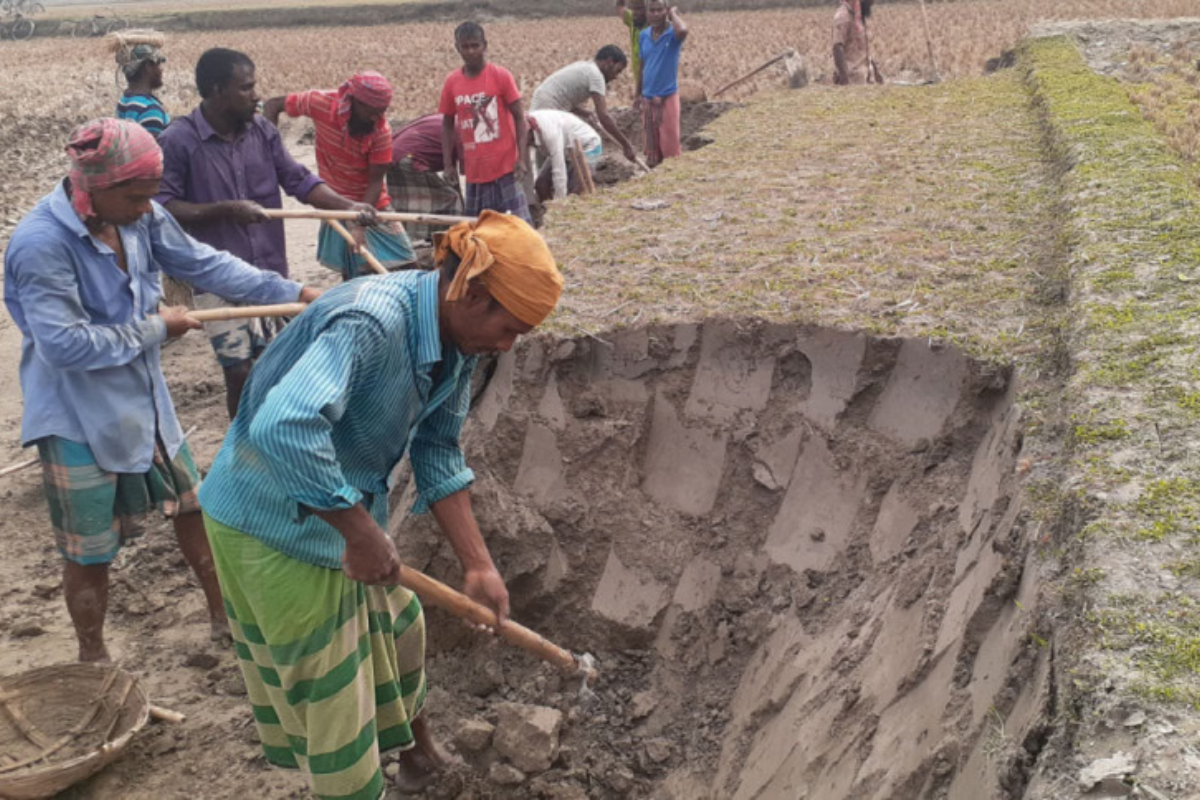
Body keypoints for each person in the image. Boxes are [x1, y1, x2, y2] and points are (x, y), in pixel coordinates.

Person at [198, 210, 563, 799]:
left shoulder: (456, 342)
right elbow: (285, 428)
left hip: (341, 514)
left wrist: (477, 564)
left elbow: (438, 449)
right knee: (336, 698)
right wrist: (361, 533)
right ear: (468, 291)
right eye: (510, 329)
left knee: (401, 630)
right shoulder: (370, 321)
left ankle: (418, 756)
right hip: (271, 520)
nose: (508, 345)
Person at [2, 119, 323, 663]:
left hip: (145, 399)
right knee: (90, 549)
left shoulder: (137, 216)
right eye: (137, 196)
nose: (148, 207)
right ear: (94, 189)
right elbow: (63, 347)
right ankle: (92, 657)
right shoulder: (40, 246)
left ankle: (226, 619)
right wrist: (158, 328)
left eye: (152, 195)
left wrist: (292, 291)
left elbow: (204, 263)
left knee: (194, 506)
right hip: (79, 415)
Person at [157, 48, 376, 419]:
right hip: (217, 280)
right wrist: (226, 209)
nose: (257, 95)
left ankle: (278, 435)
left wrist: (347, 206)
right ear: (215, 90)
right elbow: (163, 208)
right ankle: (240, 449)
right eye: (246, 88)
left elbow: (299, 180)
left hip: (269, 268)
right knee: (239, 371)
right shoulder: (179, 140)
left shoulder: (262, 131)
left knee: (278, 362)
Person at [264, 71, 416, 280]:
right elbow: (272, 105)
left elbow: (375, 182)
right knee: (353, 270)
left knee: (407, 264)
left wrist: (360, 224)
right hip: (333, 200)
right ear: (354, 102)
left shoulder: (380, 130)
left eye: (381, 112)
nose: (376, 118)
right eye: (372, 112)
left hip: (371, 203)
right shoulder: (320, 103)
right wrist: (272, 153)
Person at [439, 22, 532, 223]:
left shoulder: (501, 76)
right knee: (479, 230)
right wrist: (448, 164)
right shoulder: (452, 82)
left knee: (519, 227)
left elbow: (519, 117)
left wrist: (522, 159)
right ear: (457, 48)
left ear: (485, 46)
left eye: (475, 45)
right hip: (475, 171)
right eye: (465, 47)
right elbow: (447, 124)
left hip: (505, 167)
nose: (471, 52)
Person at [530, 46, 638, 165]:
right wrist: (626, 145)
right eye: (617, 71)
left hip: (541, 106)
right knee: (561, 155)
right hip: (549, 110)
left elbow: (565, 99)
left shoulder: (585, 67)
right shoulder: (596, 76)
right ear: (609, 62)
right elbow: (604, 116)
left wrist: (586, 113)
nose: (615, 77)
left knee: (549, 153)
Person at [388, 113, 464, 244]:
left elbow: (452, 175)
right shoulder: (462, 131)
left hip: (392, 155)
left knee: (407, 206)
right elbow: (464, 171)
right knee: (450, 200)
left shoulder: (446, 120)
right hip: (409, 159)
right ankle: (446, 241)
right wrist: (463, 207)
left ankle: (409, 242)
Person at [639, 1, 689, 167]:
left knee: (670, 147)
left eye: (659, 10)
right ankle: (654, 178)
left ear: (665, 11)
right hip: (647, 97)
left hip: (667, 96)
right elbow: (642, 65)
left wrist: (674, 14)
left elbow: (683, 30)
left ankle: (672, 179)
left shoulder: (672, 35)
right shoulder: (644, 35)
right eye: (651, 10)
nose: (655, 14)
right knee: (651, 146)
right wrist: (636, 94)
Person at [528, 108, 603, 202]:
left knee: (575, 191)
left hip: (587, 145)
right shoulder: (524, 129)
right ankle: (545, 212)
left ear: (529, 132)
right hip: (565, 147)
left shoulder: (548, 132)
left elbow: (559, 170)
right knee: (541, 184)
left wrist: (560, 202)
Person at [110, 31, 170, 138]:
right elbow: (156, 152)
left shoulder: (125, 101)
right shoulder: (150, 110)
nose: (162, 69)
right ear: (148, 66)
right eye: (159, 63)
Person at [833, 0, 883, 85]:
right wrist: (845, 79)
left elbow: (861, 49)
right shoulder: (843, 16)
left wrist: (876, 71)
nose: (871, 3)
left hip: (864, 80)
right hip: (852, 80)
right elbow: (837, 47)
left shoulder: (858, 16)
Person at [616, 0, 648, 92]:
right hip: (638, 78)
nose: (635, 12)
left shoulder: (654, 27)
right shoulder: (632, 20)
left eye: (639, 8)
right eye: (633, 9)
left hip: (652, 81)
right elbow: (620, 6)